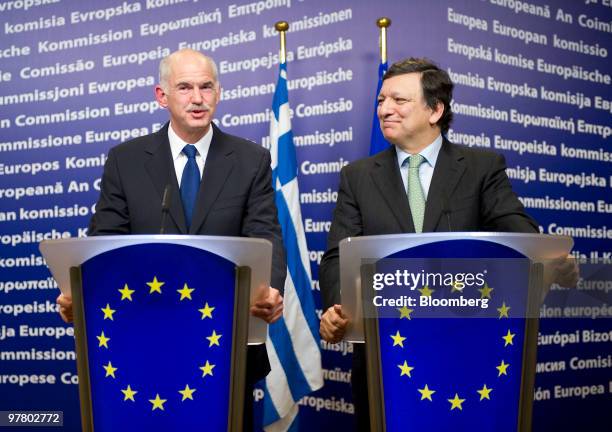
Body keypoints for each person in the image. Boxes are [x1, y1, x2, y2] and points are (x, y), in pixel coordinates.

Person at [318, 57, 578, 431]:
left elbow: (520, 236)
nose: (384, 109)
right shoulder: (358, 176)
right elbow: (336, 257)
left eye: (399, 100)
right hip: (384, 356)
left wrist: (553, 261)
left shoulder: (480, 168)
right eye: (380, 100)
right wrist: (338, 310)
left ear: (435, 109)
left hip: (466, 351)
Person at [56, 48, 285, 430]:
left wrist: (268, 290)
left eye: (206, 87)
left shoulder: (251, 160)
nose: (197, 98)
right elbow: (105, 245)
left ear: (219, 92)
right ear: (161, 96)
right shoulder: (125, 161)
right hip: (144, 343)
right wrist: (82, 293)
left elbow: (266, 237)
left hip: (223, 345)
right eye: (184, 87)